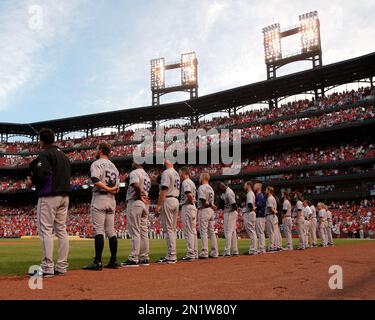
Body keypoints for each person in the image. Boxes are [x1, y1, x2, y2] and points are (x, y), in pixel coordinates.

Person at [27, 128, 71, 277]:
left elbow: (41, 174)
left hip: (49, 196)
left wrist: (31, 182)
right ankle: (62, 266)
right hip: (65, 196)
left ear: (42, 140)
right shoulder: (64, 156)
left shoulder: (44, 153)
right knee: (61, 231)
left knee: (45, 230)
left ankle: (47, 268)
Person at [83, 142, 120, 271]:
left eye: (97, 149)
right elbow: (117, 188)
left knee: (99, 230)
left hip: (100, 197)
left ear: (101, 151)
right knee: (111, 231)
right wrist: (111, 190)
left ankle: (98, 262)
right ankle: (113, 260)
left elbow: (95, 179)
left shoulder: (97, 163)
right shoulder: (114, 166)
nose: (96, 151)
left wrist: (107, 189)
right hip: (112, 200)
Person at [122, 162, 151, 267]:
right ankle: (144, 257)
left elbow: (136, 185)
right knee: (143, 231)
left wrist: (139, 196)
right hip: (144, 204)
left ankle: (134, 258)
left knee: (135, 231)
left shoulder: (135, 172)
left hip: (135, 201)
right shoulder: (146, 175)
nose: (132, 163)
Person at [155, 160, 180, 264]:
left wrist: (159, 206)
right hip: (176, 200)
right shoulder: (176, 173)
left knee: (168, 229)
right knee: (172, 229)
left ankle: (172, 255)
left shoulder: (166, 172)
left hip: (168, 200)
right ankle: (171, 254)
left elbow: (163, 190)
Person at [197, 173, 218, 259]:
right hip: (211, 211)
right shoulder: (211, 188)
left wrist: (209, 205)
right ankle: (214, 252)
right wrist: (211, 205)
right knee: (211, 232)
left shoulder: (202, 187)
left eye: (200, 177)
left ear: (202, 178)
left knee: (203, 231)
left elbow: (202, 200)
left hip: (204, 209)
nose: (199, 178)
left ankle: (204, 252)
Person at [179, 167, 198, 262]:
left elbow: (189, 194)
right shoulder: (192, 182)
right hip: (192, 207)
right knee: (193, 231)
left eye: (180, 173)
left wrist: (190, 201)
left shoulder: (185, 182)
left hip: (188, 206)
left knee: (188, 231)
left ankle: (190, 254)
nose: (179, 174)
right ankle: (194, 252)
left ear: (183, 172)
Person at [217, 181, 239, 257]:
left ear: (223, 187)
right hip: (229, 212)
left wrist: (233, 213)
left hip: (230, 212)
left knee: (228, 232)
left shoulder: (228, 192)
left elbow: (234, 205)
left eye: (220, 189)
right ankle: (235, 251)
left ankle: (227, 251)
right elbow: (221, 203)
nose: (220, 191)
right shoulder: (225, 192)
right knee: (232, 232)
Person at [243, 181, 257, 255]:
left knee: (251, 232)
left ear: (248, 185)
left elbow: (250, 204)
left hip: (249, 213)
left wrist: (250, 209)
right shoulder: (251, 193)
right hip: (251, 213)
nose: (244, 186)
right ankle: (253, 249)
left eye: (245, 184)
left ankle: (253, 249)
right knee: (252, 232)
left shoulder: (249, 193)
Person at [265, 186, 278, 252]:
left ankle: (271, 246)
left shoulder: (269, 198)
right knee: (274, 232)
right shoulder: (273, 198)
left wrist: (274, 211)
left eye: (266, 190)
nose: (265, 191)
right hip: (273, 216)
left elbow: (270, 208)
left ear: (269, 191)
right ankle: (275, 246)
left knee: (271, 232)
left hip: (270, 216)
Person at [255, 183, 266, 254]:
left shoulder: (259, 195)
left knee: (260, 233)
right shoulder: (260, 195)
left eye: (255, 186)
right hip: (260, 216)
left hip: (260, 216)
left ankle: (261, 248)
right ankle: (261, 247)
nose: (254, 187)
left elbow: (258, 206)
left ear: (258, 187)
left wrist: (253, 209)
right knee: (260, 232)